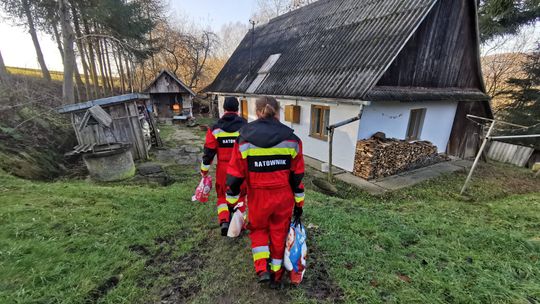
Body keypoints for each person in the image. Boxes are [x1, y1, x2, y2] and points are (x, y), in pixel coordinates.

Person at [225, 96, 305, 288]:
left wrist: (232, 201)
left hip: (257, 198)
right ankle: (277, 275)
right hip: (283, 197)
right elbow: (297, 176)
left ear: (257, 111)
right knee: (279, 232)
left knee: (258, 230)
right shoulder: (292, 139)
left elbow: (235, 175)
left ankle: (262, 269)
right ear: (277, 112)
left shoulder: (244, 138)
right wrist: (299, 204)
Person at [201, 97, 247, 236]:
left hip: (223, 169)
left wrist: (204, 171)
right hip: (240, 169)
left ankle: (224, 221)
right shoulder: (246, 127)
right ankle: (238, 225)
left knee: (222, 196)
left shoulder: (215, 128)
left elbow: (208, 152)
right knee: (240, 196)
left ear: (224, 109)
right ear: (237, 110)